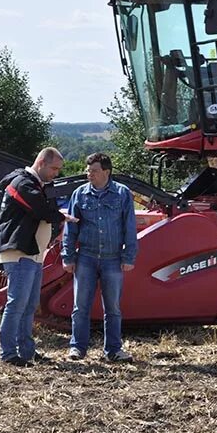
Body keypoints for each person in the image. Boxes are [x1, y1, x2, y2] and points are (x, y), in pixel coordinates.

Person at [0, 147, 77, 367]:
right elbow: (40, 210)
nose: (56, 174)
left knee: (30, 304)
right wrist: (61, 217)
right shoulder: (22, 184)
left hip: (32, 254)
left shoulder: (34, 185)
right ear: (41, 162)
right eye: (54, 168)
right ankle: (8, 353)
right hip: (20, 253)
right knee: (17, 303)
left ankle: (27, 351)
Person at [61, 153, 137, 362]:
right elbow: (71, 227)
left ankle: (113, 350)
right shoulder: (80, 194)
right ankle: (77, 348)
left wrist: (128, 256)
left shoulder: (122, 194)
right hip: (85, 256)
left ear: (106, 172)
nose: (89, 174)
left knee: (112, 307)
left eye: (93, 171)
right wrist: (67, 256)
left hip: (113, 258)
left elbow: (130, 227)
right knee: (80, 306)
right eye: (88, 171)